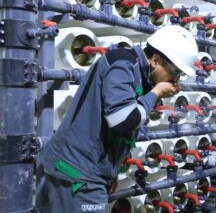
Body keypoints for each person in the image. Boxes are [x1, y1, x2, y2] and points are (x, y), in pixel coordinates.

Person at [36, 25, 198, 212]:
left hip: (85, 170)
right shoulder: (123, 64)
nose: (176, 81)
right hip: (77, 173)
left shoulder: (138, 73)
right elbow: (123, 121)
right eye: (176, 72)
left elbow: (116, 129)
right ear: (155, 60)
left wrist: (110, 171)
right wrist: (156, 93)